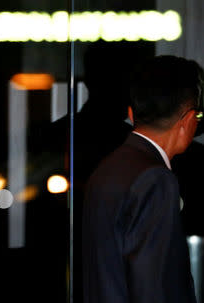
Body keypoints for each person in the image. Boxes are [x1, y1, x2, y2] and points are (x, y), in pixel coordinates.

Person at [82, 55, 203, 303]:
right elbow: (154, 287)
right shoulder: (156, 179)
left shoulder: (109, 167)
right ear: (189, 120)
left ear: (131, 111)